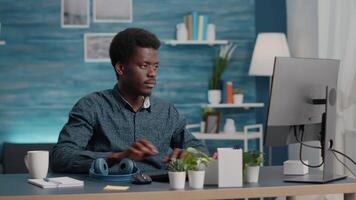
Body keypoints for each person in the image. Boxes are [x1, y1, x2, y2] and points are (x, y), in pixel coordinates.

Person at [50, 28, 207, 173]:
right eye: (144, 65)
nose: (152, 73)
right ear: (121, 68)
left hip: (158, 192)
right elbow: (61, 157)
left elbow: (199, 148)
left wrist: (189, 154)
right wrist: (117, 157)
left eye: (156, 66)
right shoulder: (91, 106)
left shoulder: (166, 111)